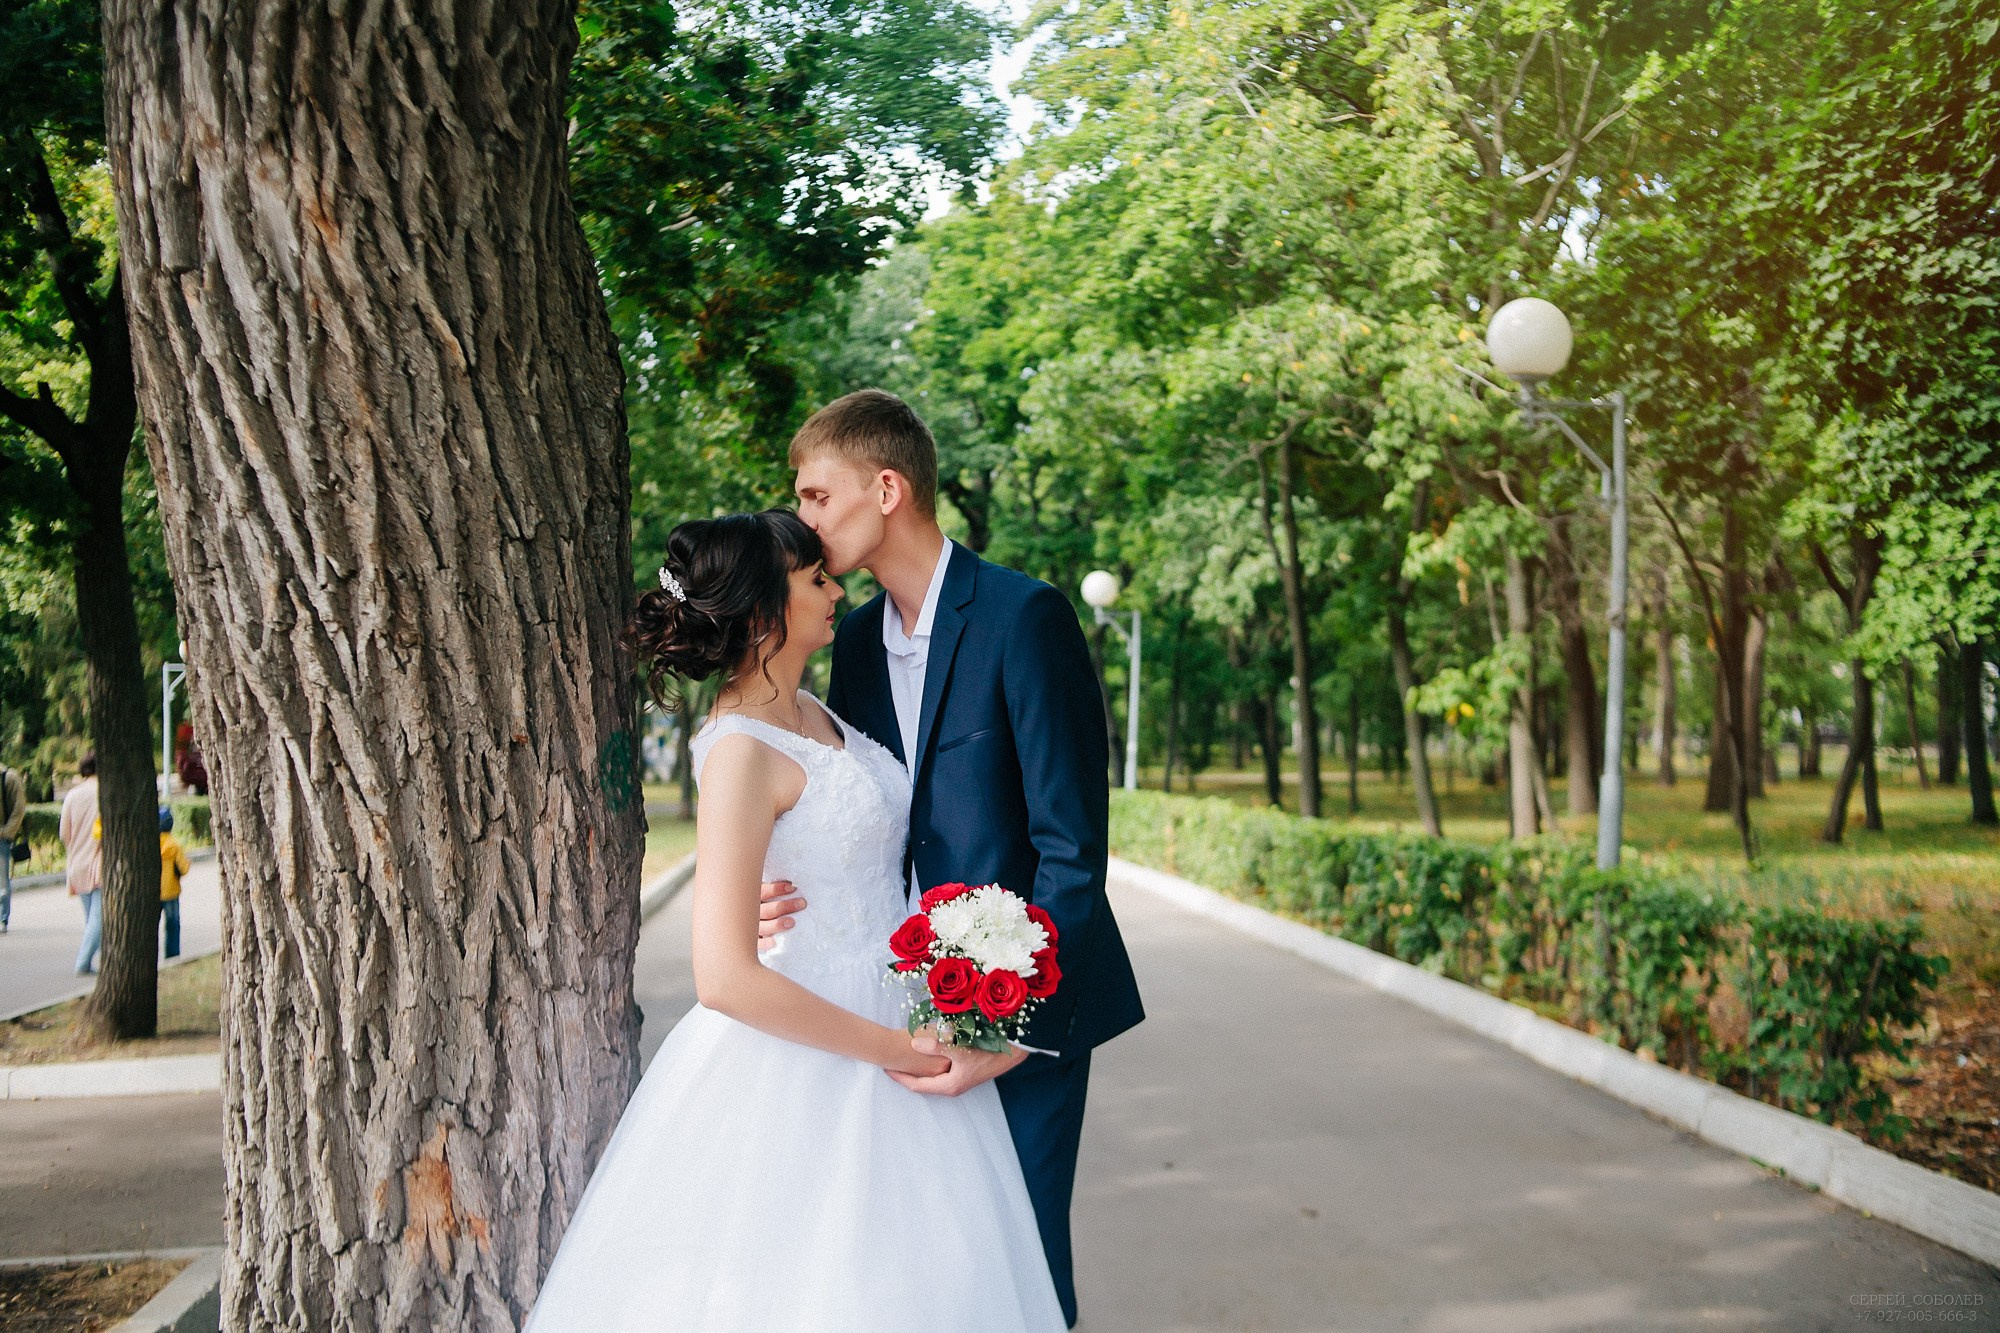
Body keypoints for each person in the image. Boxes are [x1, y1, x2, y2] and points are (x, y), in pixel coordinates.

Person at [526, 510, 1065, 1332]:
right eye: (815, 579)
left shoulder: (817, 711)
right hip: (812, 1046)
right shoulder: (738, 749)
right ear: (762, 610)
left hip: (896, 1002)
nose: (837, 590)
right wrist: (899, 1049)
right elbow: (723, 976)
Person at [771, 389, 1146, 1327]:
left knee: (1023, 1271)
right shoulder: (856, 640)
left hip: (1028, 1014)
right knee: (924, 1276)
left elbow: (1071, 849)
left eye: (817, 495)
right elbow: (862, 815)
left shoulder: (1026, 616)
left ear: (886, 488)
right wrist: (770, 893)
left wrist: (1012, 1032)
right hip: (898, 1012)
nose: (804, 519)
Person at [59, 754, 103, 975]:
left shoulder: (72, 795)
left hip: (77, 863)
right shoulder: (104, 793)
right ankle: (83, 962)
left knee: (92, 919)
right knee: (99, 919)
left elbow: (64, 834)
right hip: (100, 862)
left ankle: (105, 962)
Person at [158, 807, 189, 960]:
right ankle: (172, 956)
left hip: (154, 893)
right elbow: (183, 868)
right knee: (172, 925)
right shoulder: (174, 845)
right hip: (171, 892)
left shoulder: (150, 845)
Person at [0, 761, 25, 934]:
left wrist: (6, 832)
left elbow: (19, 808)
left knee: (2, 881)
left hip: (1, 838)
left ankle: (2, 918)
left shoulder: (8, 777)